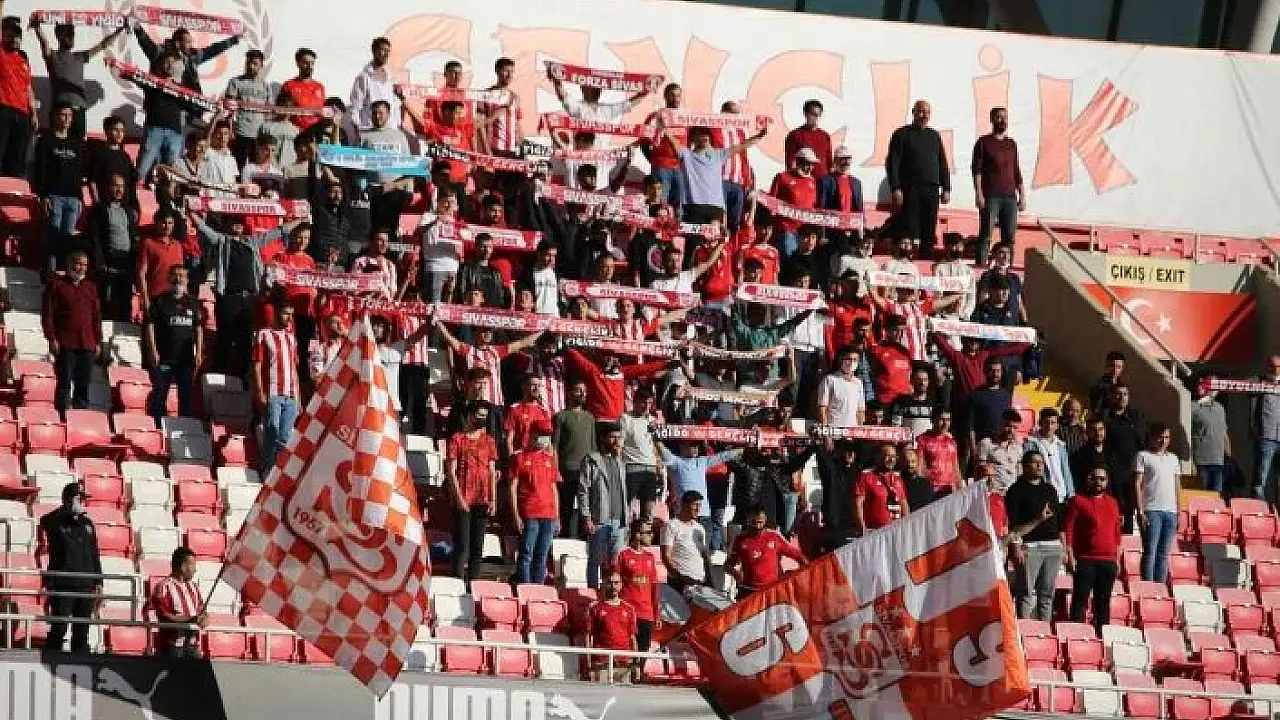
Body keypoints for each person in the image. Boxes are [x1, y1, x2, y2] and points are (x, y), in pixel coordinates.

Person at [662, 122, 766, 224]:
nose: (705, 136)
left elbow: (742, 145)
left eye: (706, 133)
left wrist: (760, 136)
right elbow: (672, 140)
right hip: (694, 208)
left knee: (716, 235)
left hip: (715, 209)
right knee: (693, 236)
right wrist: (664, 125)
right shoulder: (687, 155)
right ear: (693, 138)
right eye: (700, 133)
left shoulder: (718, 155)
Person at [1062, 466, 1122, 635]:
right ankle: (1075, 636)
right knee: (1080, 601)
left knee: (1103, 603)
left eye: (1102, 479)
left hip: (1108, 561)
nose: (1098, 482)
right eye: (1095, 478)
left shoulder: (1113, 502)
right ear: (1089, 480)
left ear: (1107, 481)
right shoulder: (1078, 501)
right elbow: (1069, 529)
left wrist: (1117, 559)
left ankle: (1101, 638)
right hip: (1086, 559)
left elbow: (1117, 533)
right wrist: (1070, 555)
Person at [886, 100, 949, 259]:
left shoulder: (934, 136)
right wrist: (895, 187)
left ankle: (926, 259)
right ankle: (906, 260)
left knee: (929, 227)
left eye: (927, 112)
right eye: (920, 111)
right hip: (910, 188)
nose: (924, 115)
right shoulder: (902, 134)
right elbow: (893, 163)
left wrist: (946, 187)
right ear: (913, 112)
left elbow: (942, 163)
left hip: (932, 189)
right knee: (910, 226)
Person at [445, 401, 500, 582]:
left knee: (478, 547)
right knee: (462, 546)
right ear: (469, 416)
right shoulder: (457, 439)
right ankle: (457, 583)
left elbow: (492, 471)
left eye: (485, 416)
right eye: (479, 415)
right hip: (463, 498)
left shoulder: (489, 441)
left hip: (482, 498)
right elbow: (451, 471)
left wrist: (493, 499)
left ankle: (474, 584)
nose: (482, 419)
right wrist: (459, 498)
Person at [41, 251, 101, 413]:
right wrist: (51, 338)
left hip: (87, 343)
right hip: (65, 343)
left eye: (84, 265)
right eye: (78, 263)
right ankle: (61, 416)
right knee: (64, 383)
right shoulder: (56, 285)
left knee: (83, 384)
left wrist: (98, 341)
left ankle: (79, 417)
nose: (81, 268)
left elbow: (96, 316)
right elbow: (48, 314)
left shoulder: (91, 287)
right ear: (69, 264)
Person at [1005, 450, 1061, 620]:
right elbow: (1012, 524)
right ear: (1024, 466)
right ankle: (1025, 629)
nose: (1039, 466)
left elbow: (1059, 520)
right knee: (1026, 594)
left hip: (1053, 546)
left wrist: (1063, 546)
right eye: (1034, 462)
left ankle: (1043, 630)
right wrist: (1016, 547)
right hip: (1030, 547)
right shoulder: (1016, 491)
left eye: (1041, 463)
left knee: (1047, 595)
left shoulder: (1050, 489)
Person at [33, 101, 86, 272]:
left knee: (68, 240)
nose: (66, 119)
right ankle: (51, 276)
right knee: (53, 240)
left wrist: (80, 198)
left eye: (69, 115)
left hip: (73, 198)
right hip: (54, 196)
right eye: (63, 115)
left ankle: (65, 275)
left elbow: (79, 173)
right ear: (55, 117)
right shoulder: (46, 141)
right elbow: (39, 170)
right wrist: (43, 196)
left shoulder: (77, 143)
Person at [145, 264, 202, 419]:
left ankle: (185, 427)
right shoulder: (159, 300)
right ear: (169, 278)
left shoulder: (192, 302)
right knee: (160, 396)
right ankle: (159, 426)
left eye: (182, 275)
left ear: (187, 279)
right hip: (165, 358)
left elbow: (198, 328)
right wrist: (152, 349)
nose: (178, 278)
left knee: (186, 398)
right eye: (175, 275)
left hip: (186, 360)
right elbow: (150, 325)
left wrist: (199, 353)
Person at [971, 107, 1025, 265]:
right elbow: (977, 170)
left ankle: (1007, 268)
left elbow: (1016, 170)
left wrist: (1022, 195)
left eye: (1005, 117)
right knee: (986, 233)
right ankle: (981, 266)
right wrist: (979, 193)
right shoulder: (983, 142)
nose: (1002, 120)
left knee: (1009, 236)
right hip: (991, 196)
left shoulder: (1011, 144)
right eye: (999, 117)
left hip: (1010, 197)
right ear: (992, 119)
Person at [252, 299, 300, 474]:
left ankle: (277, 473)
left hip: (291, 394)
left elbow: (294, 367)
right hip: (273, 392)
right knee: (272, 432)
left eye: (292, 315)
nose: (289, 318)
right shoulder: (263, 334)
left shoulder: (292, 338)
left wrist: (299, 397)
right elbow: (257, 364)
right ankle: (266, 469)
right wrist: (260, 391)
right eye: (286, 314)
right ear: (277, 313)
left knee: (285, 437)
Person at [579, 422, 630, 588]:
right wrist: (587, 517)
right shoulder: (592, 459)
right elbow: (583, 490)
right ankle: (593, 591)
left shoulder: (620, 461)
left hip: (619, 520)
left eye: (619, 437)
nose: (616, 441)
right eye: (612, 437)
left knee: (616, 561)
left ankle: (611, 593)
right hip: (599, 518)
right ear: (603, 438)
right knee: (596, 560)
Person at [85, 173, 139, 322]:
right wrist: (99, 260)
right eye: (115, 185)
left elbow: (133, 236)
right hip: (107, 264)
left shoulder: (128, 210)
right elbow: (94, 237)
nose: (119, 189)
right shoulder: (99, 210)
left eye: (122, 186)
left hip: (126, 264)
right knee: (105, 302)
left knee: (125, 303)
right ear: (108, 187)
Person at [511, 426, 560, 585]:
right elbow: (512, 488)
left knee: (542, 555)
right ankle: (525, 587)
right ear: (532, 436)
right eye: (541, 435)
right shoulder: (519, 457)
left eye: (547, 436)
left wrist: (557, 516)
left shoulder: (550, 459)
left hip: (549, 514)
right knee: (526, 553)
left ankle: (538, 588)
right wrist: (516, 515)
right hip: (529, 513)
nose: (544, 439)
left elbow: (554, 488)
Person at [726, 505, 807, 600]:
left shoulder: (774, 537)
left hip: (771, 592)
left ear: (765, 520)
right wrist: (736, 574)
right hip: (748, 591)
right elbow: (727, 565)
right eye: (753, 522)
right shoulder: (740, 540)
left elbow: (799, 556)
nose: (757, 526)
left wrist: (800, 575)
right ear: (747, 520)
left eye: (760, 522)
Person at [1135, 423, 1180, 583]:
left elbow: (1177, 485)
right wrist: (1140, 511)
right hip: (1151, 509)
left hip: (1170, 511)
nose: (1163, 441)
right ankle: (1148, 585)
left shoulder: (1173, 458)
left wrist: (1179, 511)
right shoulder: (1143, 456)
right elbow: (1137, 484)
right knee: (1150, 551)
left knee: (1163, 553)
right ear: (1152, 437)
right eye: (1160, 437)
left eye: (1166, 437)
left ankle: (1160, 587)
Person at [554, 382, 596, 539]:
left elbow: (593, 446)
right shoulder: (561, 416)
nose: (583, 394)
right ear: (570, 393)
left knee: (586, 508)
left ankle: (584, 539)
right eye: (579, 390)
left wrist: (594, 469)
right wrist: (555, 470)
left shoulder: (590, 418)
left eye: (585, 390)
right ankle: (566, 539)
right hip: (567, 469)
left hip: (586, 470)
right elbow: (555, 447)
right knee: (566, 507)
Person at [150, 546, 209, 659]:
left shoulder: (194, 587)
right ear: (183, 566)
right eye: (193, 565)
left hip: (193, 646)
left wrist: (205, 617)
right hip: (173, 647)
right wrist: (191, 620)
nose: (195, 569)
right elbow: (164, 616)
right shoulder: (163, 587)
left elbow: (201, 609)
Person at [1102, 382, 1146, 533]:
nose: (1122, 397)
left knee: (1129, 514)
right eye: (1118, 394)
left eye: (1125, 394)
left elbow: (1143, 442)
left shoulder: (1136, 416)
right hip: (1112, 472)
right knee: (1113, 511)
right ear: (1111, 396)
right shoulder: (1105, 416)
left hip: (1132, 473)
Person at [614, 519, 661, 652]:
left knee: (643, 652)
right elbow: (614, 582)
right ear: (637, 534)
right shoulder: (624, 556)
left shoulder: (650, 557)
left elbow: (654, 588)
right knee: (625, 651)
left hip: (646, 614)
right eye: (649, 532)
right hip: (628, 611)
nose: (652, 535)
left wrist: (657, 614)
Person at [586, 569, 639, 684]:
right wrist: (589, 663)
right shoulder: (594, 608)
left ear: (621, 585)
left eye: (616, 583)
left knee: (624, 695)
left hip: (624, 663)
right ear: (604, 584)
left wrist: (636, 662)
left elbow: (632, 637)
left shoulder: (629, 609)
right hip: (602, 663)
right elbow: (588, 637)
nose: (613, 586)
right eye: (610, 583)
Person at [620, 389, 665, 520]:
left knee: (648, 511)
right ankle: (626, 532)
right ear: (635, 402)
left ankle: (645, 532)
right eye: (643, 402)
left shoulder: (653, 421)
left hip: (651, 469)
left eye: (649, 403)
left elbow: (657, 445)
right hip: (632, 467)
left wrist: (659, 463)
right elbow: (619, 445)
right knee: (627, 509)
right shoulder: (625, 419)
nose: (646, 406)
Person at [223, 49, 272, 167]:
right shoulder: (235, 82)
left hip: (259, 134)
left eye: (255, 64)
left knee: (255, 167)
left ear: (261, 66)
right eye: (248, 63)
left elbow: (269, 112)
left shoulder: (266, 86)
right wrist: (230, 130)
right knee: (237, 167)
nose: (251, 66)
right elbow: (228, 109)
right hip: (240, 132)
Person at [0, 13, 34, 178]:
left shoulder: (24, 59)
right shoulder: (1, 53)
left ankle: (13, 188)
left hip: (23, 114)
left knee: (17, 158)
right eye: (10, 35)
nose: (15, 38)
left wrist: (34, 112)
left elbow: (28, 87)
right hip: (4, 109)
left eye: (18, 35)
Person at [769, 147, 819, 255]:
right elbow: (771, 202)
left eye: (812, 164)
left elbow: (814, 206)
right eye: (807, 164)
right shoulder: (782, 177)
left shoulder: (812, 181)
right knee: (789, 259)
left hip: (805, 233)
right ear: (798, 161)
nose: (810, 168)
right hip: (787, 230)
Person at [347, 36, 400, 136]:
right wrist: (358, 131)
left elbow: (395, 106)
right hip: (369, 130)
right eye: (382, 50)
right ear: (374, 51)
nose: (386, 54)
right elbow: (355, 107)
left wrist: (396, 125)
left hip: (390, 130)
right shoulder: (364, 77)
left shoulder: (391, 78)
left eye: (388, 51)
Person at [662, 489, 712, 593]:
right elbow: (666, 556)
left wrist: (710, 580)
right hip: (680, 582)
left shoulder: (699, 528)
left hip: (700, 581)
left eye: (700, 505)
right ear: (684, 505)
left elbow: (704, 556)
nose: (698, 509)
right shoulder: (671, 525)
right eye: (695, 505)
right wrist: (678, 578)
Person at [854, 444, 910, 534]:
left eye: (894, 457)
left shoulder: (897, 479)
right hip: (875, 533)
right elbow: (858, 504)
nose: (891, 459)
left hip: (896, 532)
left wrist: (907, 527)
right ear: (878, 457)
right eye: (888, 456)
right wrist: (862, 527)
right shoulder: (866, 476)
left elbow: (904, 504)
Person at [1023, 407, 1075, 502]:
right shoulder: (1030, 444)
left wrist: (1071, 494)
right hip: (1041, 495)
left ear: (1057, 425)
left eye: (1053, 423)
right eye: (1046, 422)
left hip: (1061, 495)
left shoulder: (1060, 445)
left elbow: (1066, 471)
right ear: (1040, 423)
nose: (1049, 426)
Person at [817, 441, 860, 551]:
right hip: (834, 524)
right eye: (847, 450)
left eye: (853, 451)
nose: (851, 454)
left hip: (852, 523)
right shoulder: (831, 469)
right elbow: (823, 457)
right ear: (840, 451)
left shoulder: (858, 472)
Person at [1188, 380, 1229, 494]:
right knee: (1202, 496)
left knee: (1216, 496)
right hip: (1201, 461)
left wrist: (1229, 457)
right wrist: (1191, 462)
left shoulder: (1220, 408)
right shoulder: (1193, 406)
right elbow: (1186, 432)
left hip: (1218, 461)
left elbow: (1224, 433)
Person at [453, 234, 510, 308]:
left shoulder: (496, 271)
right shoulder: (466, 268)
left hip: (493, 311)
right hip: (472, 311)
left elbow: (500, 296)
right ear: (476, 247)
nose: (487, 250)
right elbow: (460, 293)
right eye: (483, 247)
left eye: (490, 247)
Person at [977, 409, 1025, 496]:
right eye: (1008, 426)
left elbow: (1019, 473)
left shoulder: (1018, 448)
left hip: (1012, 495)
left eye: (1015, 428)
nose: (1011, 430)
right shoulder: (986, 443)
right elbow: (979, 470)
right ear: (1000, 424)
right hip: (992, 494)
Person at [816, 346, 867, 427]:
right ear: (841, 360)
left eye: (855, 360)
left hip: (852, 429)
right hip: (834, 428)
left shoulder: (858, 383)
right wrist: (825, 428)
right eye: (848, 359)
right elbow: (822, 407)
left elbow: (860, 410)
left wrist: (860, 429)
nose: (851, 362)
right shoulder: (830, 379)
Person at [1252, 355, 1280, 502]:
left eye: (1278, 366)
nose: (1275, 369)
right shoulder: (1260, 382)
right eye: (1272, 366)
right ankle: (1258, 508)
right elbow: (1246, 386)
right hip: (1266, 437)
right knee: (1261, 477)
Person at [917, 407, 962, 496]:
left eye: (948, 420)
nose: (945, 424)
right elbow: (919, 467)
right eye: (941, 419)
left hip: (950, 489)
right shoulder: (922, 440)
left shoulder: (952, 442)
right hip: (931, 489)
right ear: (932, 420)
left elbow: (956, 468)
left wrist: (960, 486)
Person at [785, 99, 832, 178]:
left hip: (823, 180)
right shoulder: (795, 135)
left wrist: (830, 180)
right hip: (803, 180)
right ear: (806, 114)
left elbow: (829, 162)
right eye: (813, 114)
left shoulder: (825, 136)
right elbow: (790, 162)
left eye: (818, 114)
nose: (816, 117)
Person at [281, 47, 325, 131]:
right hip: (295, 132)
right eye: (306, 63)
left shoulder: (320, 87)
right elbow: (282, 112)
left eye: (312, 63)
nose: (310, 66)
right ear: (298, 63)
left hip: (316, 132)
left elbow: (323, 111)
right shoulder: (288, 85)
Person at [1089, 350, 1127, 416]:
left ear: (1122, 368)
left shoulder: (1123, 387)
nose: (1115, 370)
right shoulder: (1098, 387)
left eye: (1118, 367)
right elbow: (1096, 410)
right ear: (1107, 366)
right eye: (1112, 366)